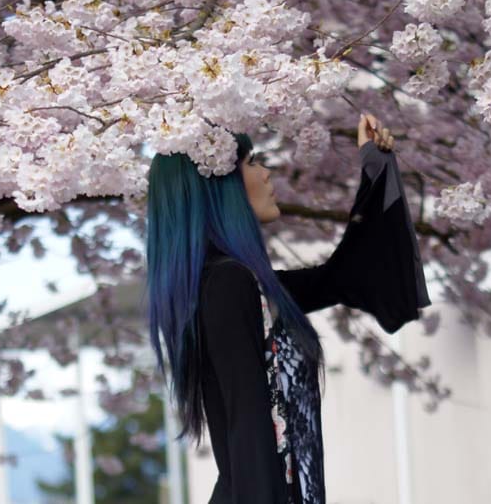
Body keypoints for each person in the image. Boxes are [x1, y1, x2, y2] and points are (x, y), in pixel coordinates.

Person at [145, 113, 431, 504]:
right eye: (252, 163)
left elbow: (347, 275)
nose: (266, 174)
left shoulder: (245, 285)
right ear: (218, 187)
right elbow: (248, 426)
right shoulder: (228, 285)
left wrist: (374, 164)